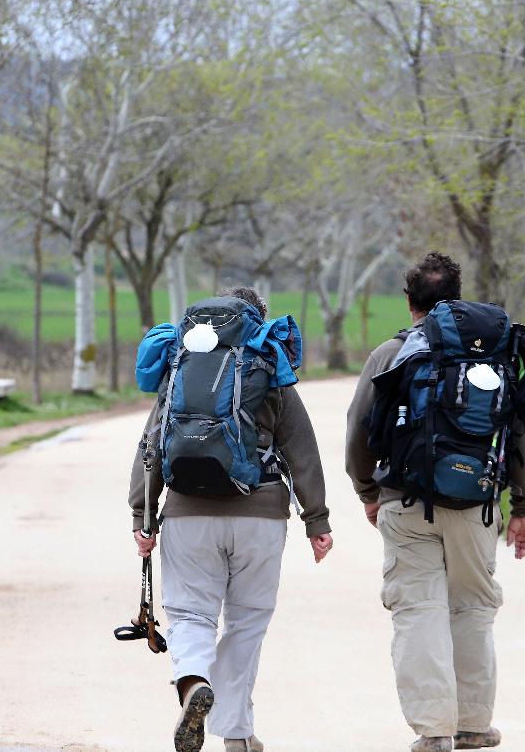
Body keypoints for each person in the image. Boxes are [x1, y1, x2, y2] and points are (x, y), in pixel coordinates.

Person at [344, 253, 525, 752]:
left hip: (405, 502)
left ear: (409, 301)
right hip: (477, 503)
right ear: (456, 295)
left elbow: (358, 432)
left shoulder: (391, 354)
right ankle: (475, 724)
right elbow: (515, 430)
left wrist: (369, 492)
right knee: (473, 607)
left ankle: (434, 732)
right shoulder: (491, 352)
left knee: (418, 609)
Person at [129, 287, 333, 752]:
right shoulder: (269, 366)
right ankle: (236, 735)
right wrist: (316, 521)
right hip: (260, 513)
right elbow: (302, 449)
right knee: (247, 623)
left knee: (190, 614)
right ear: (256, 322)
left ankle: (193, 684)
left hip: (186, 513)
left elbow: (151, 447)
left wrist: (143, 515)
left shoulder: (181, 370)